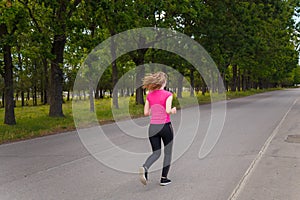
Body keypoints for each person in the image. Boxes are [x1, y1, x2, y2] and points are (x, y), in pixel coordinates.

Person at [139, 72, 177, 186]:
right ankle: (164, 178)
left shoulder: (149, 95)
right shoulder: (168, 94)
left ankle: (145, 167)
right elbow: (167, 110)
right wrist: (173, 110)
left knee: (156, 153)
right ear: (163, 82)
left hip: (153, 128)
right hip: (165, 126)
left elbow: (146, 113)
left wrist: (154, 109)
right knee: (168, 153)